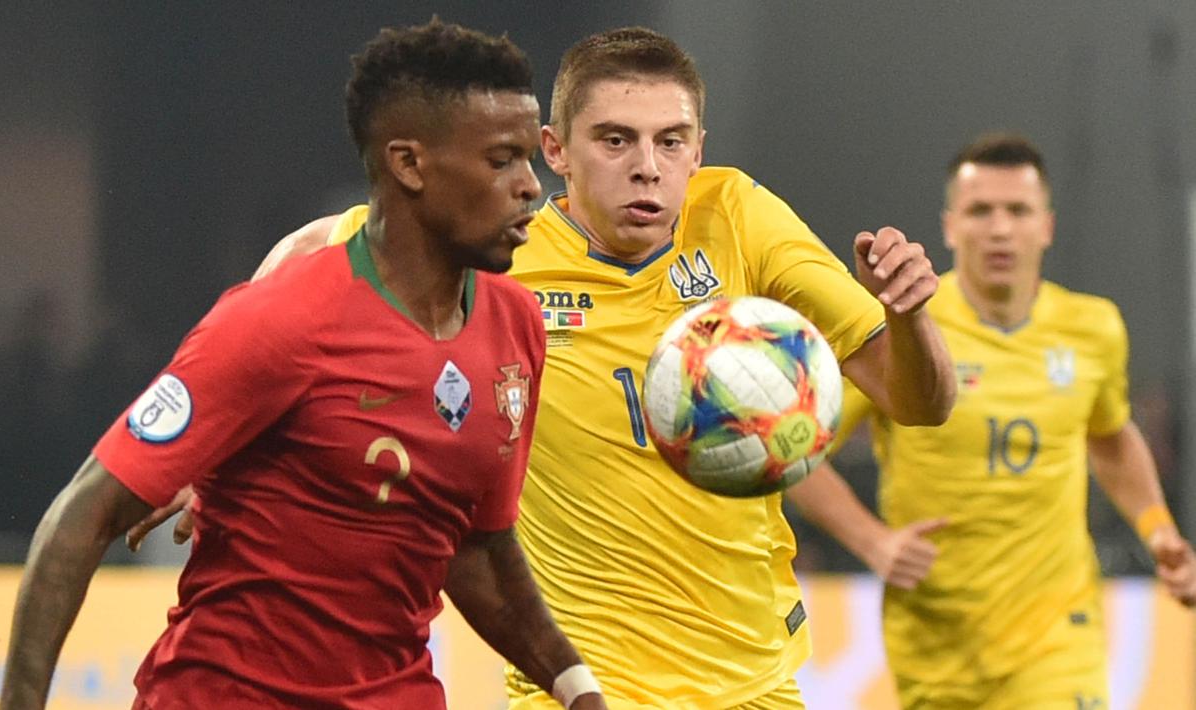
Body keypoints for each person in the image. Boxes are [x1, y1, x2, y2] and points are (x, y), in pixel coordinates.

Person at [129, 27, 955, 709]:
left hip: (755, 675)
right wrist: (213, 437)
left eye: (671, 142)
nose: (647, 166)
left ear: (697, 149)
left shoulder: (738, 215)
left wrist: (908, 319)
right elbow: (305, 254)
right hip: (581, 681)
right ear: (555, 150)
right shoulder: (498, 242)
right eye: (615, 140)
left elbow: (915, 403)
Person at [0, 20, 607, 710]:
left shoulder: (516, 325)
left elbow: (474, 547)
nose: (531, 187)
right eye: (501, 161)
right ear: (409, 164)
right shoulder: (281, 318)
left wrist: (575, 686)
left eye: (530, 160)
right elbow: (82, 515)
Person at [787, 132, 1196, 709]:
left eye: (1018, 211)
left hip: (1058, 633)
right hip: (936, 637)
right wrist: (872, 541)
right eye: (981, 210)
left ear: (1046, 226)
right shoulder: (905, 331)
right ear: (951, 226)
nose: (1000, 229)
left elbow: (1109, 437)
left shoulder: (1094, 327)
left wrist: (1159, 529)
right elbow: (791, 449)